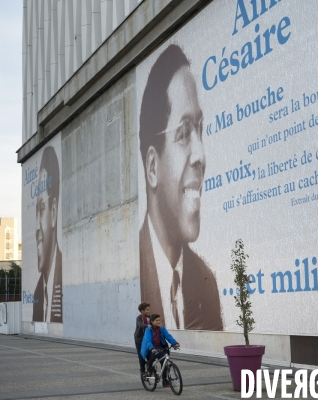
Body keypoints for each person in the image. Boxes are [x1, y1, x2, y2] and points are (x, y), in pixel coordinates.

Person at [139, 44, 223, 331]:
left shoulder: (206, 283)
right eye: (184, 133)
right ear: (152, 167)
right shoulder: (133, 273)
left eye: (200, 129)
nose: (201, 155)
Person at [33, 145, 63, 323]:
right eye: (35, 211)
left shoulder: (64, 275)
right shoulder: (38, 290)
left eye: (41, 209)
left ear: (53, 212)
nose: (36, 225)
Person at [141, 314, 180, 387]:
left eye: (159, 320)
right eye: (156, 320)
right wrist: (152, 348)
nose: (159, 322)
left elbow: (168, 336)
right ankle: (149, 370)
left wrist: (175, 343)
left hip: (160, 346)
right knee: (152, 358)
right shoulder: (148, 329)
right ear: (152, 322)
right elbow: (148, 340)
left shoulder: (162, 328)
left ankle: (165, 380)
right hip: (150, 347)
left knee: (164, 362)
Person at [134, 302, 151, 374]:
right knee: (141, 356)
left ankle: (150, 368)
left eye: (149, 309)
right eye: (147, 310)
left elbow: (155, 321)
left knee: (150, 355)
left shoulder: (149, 317)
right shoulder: (139, 318)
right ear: (142, 311)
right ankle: (142, 370)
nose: (148, 311)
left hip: (148, 339)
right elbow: (140, 325)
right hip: (139, 340)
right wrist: (148, 325)